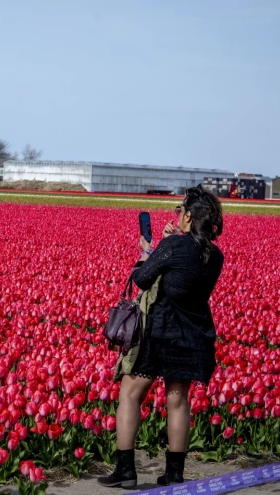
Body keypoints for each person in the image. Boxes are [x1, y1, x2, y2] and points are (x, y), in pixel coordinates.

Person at [98, 185, 225, 488]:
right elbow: (186, 281)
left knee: (130, 394)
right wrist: (170, 243)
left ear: (189, 216)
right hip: (194, 334)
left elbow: (141, 278)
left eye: (179, 210)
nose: (175, 214)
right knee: (177, 401)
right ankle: (174, 474)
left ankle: (126, 470)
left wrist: (151, 249)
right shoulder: (215, 255)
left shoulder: (174, 246)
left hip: (160, 331)